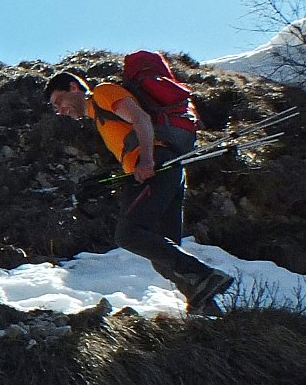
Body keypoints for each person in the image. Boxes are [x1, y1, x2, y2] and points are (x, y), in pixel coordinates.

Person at [44, 71, 233, 313]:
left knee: (129, 233)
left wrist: (146, 160)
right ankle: (206, 309)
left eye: (58, 102)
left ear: (73, 88)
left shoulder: (102, 93)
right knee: (163, 257)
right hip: (168, 170)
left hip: (158, 167)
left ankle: (206, 275)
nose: (60, 110)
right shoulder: (99, 117)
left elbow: (140, 118)